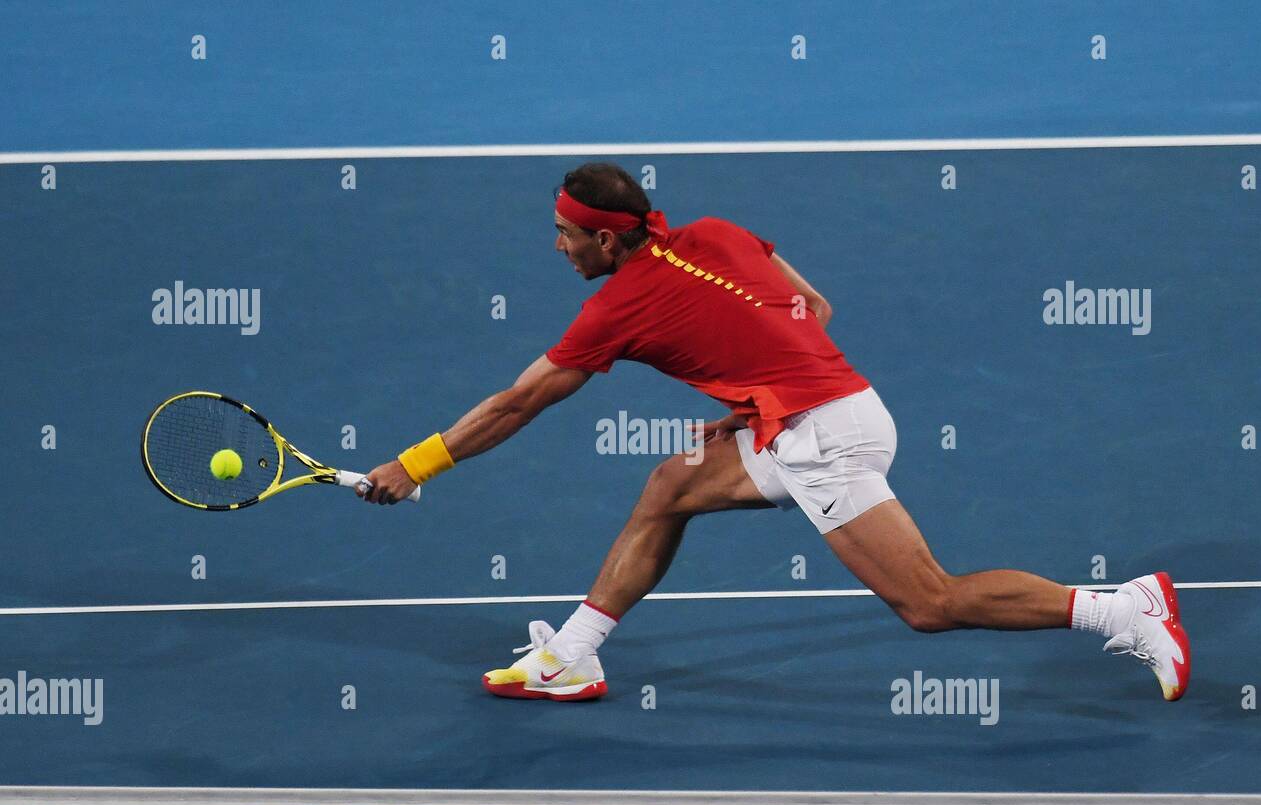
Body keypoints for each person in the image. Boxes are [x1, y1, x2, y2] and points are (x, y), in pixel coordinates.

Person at [358, 162, 1190, 703]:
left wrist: (415, 463)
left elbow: (516, 403)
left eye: (566, 233)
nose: (558, 245)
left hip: (822, 438)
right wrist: (762, 388)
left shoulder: (613, 308)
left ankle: (1122, 609)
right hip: (829, 406)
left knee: (929, 603)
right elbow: (813, 309)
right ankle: (575, 654)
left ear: (605, 237)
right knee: (671, 483)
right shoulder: (715, 232)